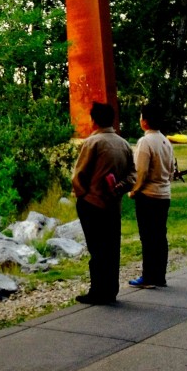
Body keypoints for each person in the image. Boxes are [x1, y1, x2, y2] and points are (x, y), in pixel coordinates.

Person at [71, 102, 136, 305]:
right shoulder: (124, 144)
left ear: (94, 120)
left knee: (97, 249)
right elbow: (133, 174)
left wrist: (82, 195)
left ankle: (98, 291)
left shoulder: (93, 143)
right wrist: (120, 187)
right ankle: (111, 289)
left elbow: (79, 174)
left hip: (93, 202)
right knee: (112, 247)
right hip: (113, 204)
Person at [129, 104, 175, 290]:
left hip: (148, 195)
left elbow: (140, 170)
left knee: (148, 237)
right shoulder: (166, 141)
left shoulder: (145, 142)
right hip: (164, 193)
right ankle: (160, 275)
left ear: (145, 121)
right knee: (160, 236)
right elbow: (171, 169)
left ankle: (148, 276)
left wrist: (134, 190)